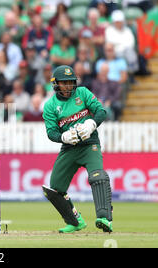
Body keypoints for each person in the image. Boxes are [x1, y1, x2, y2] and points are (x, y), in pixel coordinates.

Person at [42, 65, 113, 233]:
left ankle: (105, 218)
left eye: (70, 82)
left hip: (90, 144)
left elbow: (101, 112)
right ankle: (75, 222)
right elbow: (51, 132)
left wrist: (92, 123)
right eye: (64, 83)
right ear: (56, 84)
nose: (67, 86)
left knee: (98, 176)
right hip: (69, 148)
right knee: (54, 189)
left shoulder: (83, 93)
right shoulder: (50, 105)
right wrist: (63, 137)